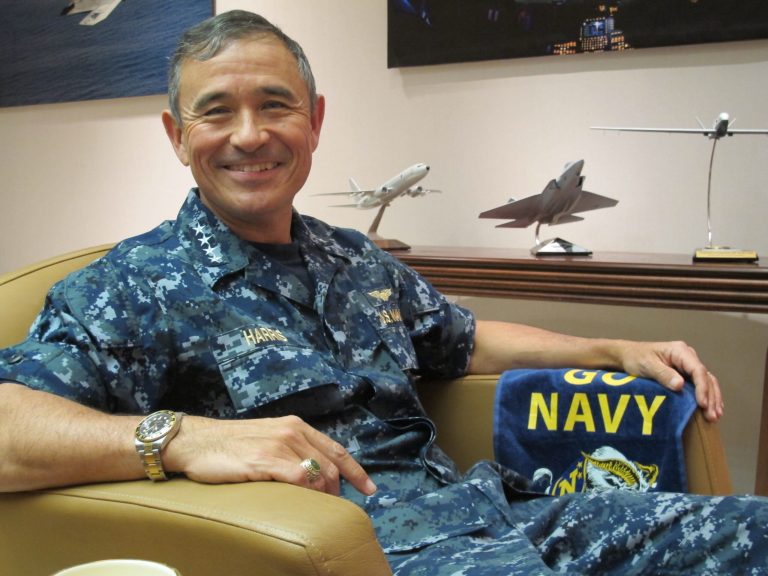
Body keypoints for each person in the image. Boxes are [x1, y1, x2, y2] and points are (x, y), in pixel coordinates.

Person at [0, 10, 765, 575]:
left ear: (315, 121)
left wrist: (611, 348)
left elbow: (463, 340)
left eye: (274, 104)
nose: (249, 135)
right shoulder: (133, 284)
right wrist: (185, 438)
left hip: (498, 514)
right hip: (370, 556)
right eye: (216, 112)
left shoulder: (353, 257)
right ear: (176, 136)